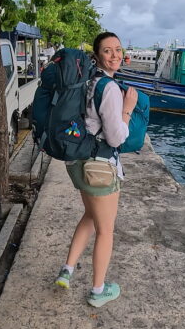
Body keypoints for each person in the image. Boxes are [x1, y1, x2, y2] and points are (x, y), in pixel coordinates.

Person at [55, 32, 138, 308]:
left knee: (90, 216)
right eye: (107, 50)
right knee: (106, 230)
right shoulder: (110, 88)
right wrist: (127, 109)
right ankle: (98, 291)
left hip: (77, 162)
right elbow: (115, 138)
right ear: (97, 55)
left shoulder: (86, 81)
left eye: (118, 49)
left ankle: (67, 271)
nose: (115, 55)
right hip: (99, 168)